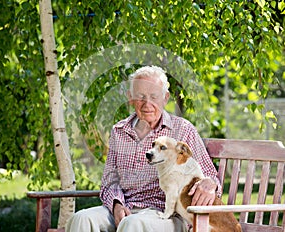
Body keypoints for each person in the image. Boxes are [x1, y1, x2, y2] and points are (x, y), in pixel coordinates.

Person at [65, 65, 221, 232]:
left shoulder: (182, 129)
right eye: (141, 97)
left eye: (154, 96)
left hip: (166, 214)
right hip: (126, 208)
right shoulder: (119, 131)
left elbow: (210, 176)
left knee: (132, 224)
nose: (148, 104)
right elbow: (109, 181)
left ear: (165, 98)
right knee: (80, 219)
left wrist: (209, 184)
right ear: (130, 98)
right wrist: (117, 205)